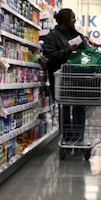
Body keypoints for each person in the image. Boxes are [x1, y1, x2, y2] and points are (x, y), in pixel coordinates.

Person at [43, 8, 90, 144]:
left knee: (80, 105)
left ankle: (78, 138)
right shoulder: (52, 36)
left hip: (78, 78)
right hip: (60, 79)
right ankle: (67, 136)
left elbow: (86, 53)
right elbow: (50, 55)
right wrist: (67, 51)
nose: (74, 20)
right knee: (64, 107)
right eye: (72, 17)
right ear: (64, 19)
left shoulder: (79, 36)